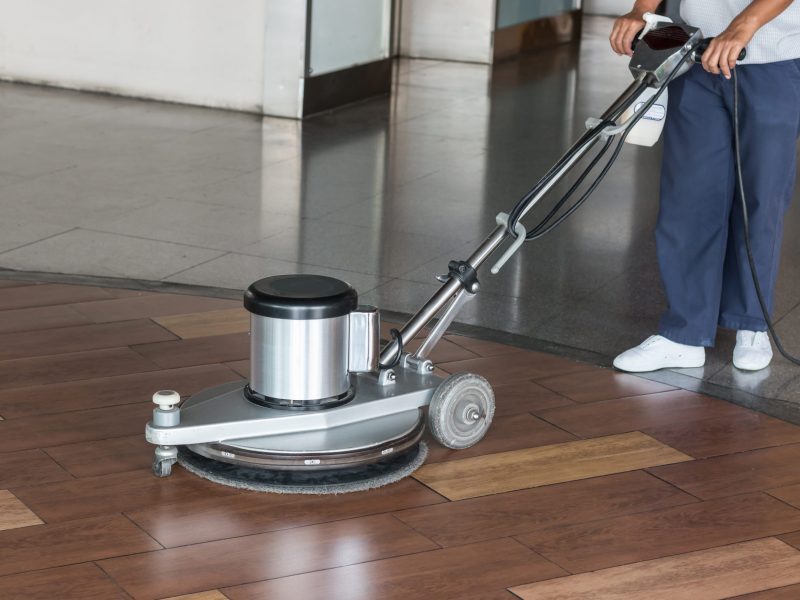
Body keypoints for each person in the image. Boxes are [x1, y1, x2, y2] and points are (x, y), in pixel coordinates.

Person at [610, 0, 800, 372]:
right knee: (688, 197)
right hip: (697, 54)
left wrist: (744, 25)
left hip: (774, 58)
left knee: (761, 198)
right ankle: (685, 333)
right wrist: (641, 10)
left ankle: (751, 325)